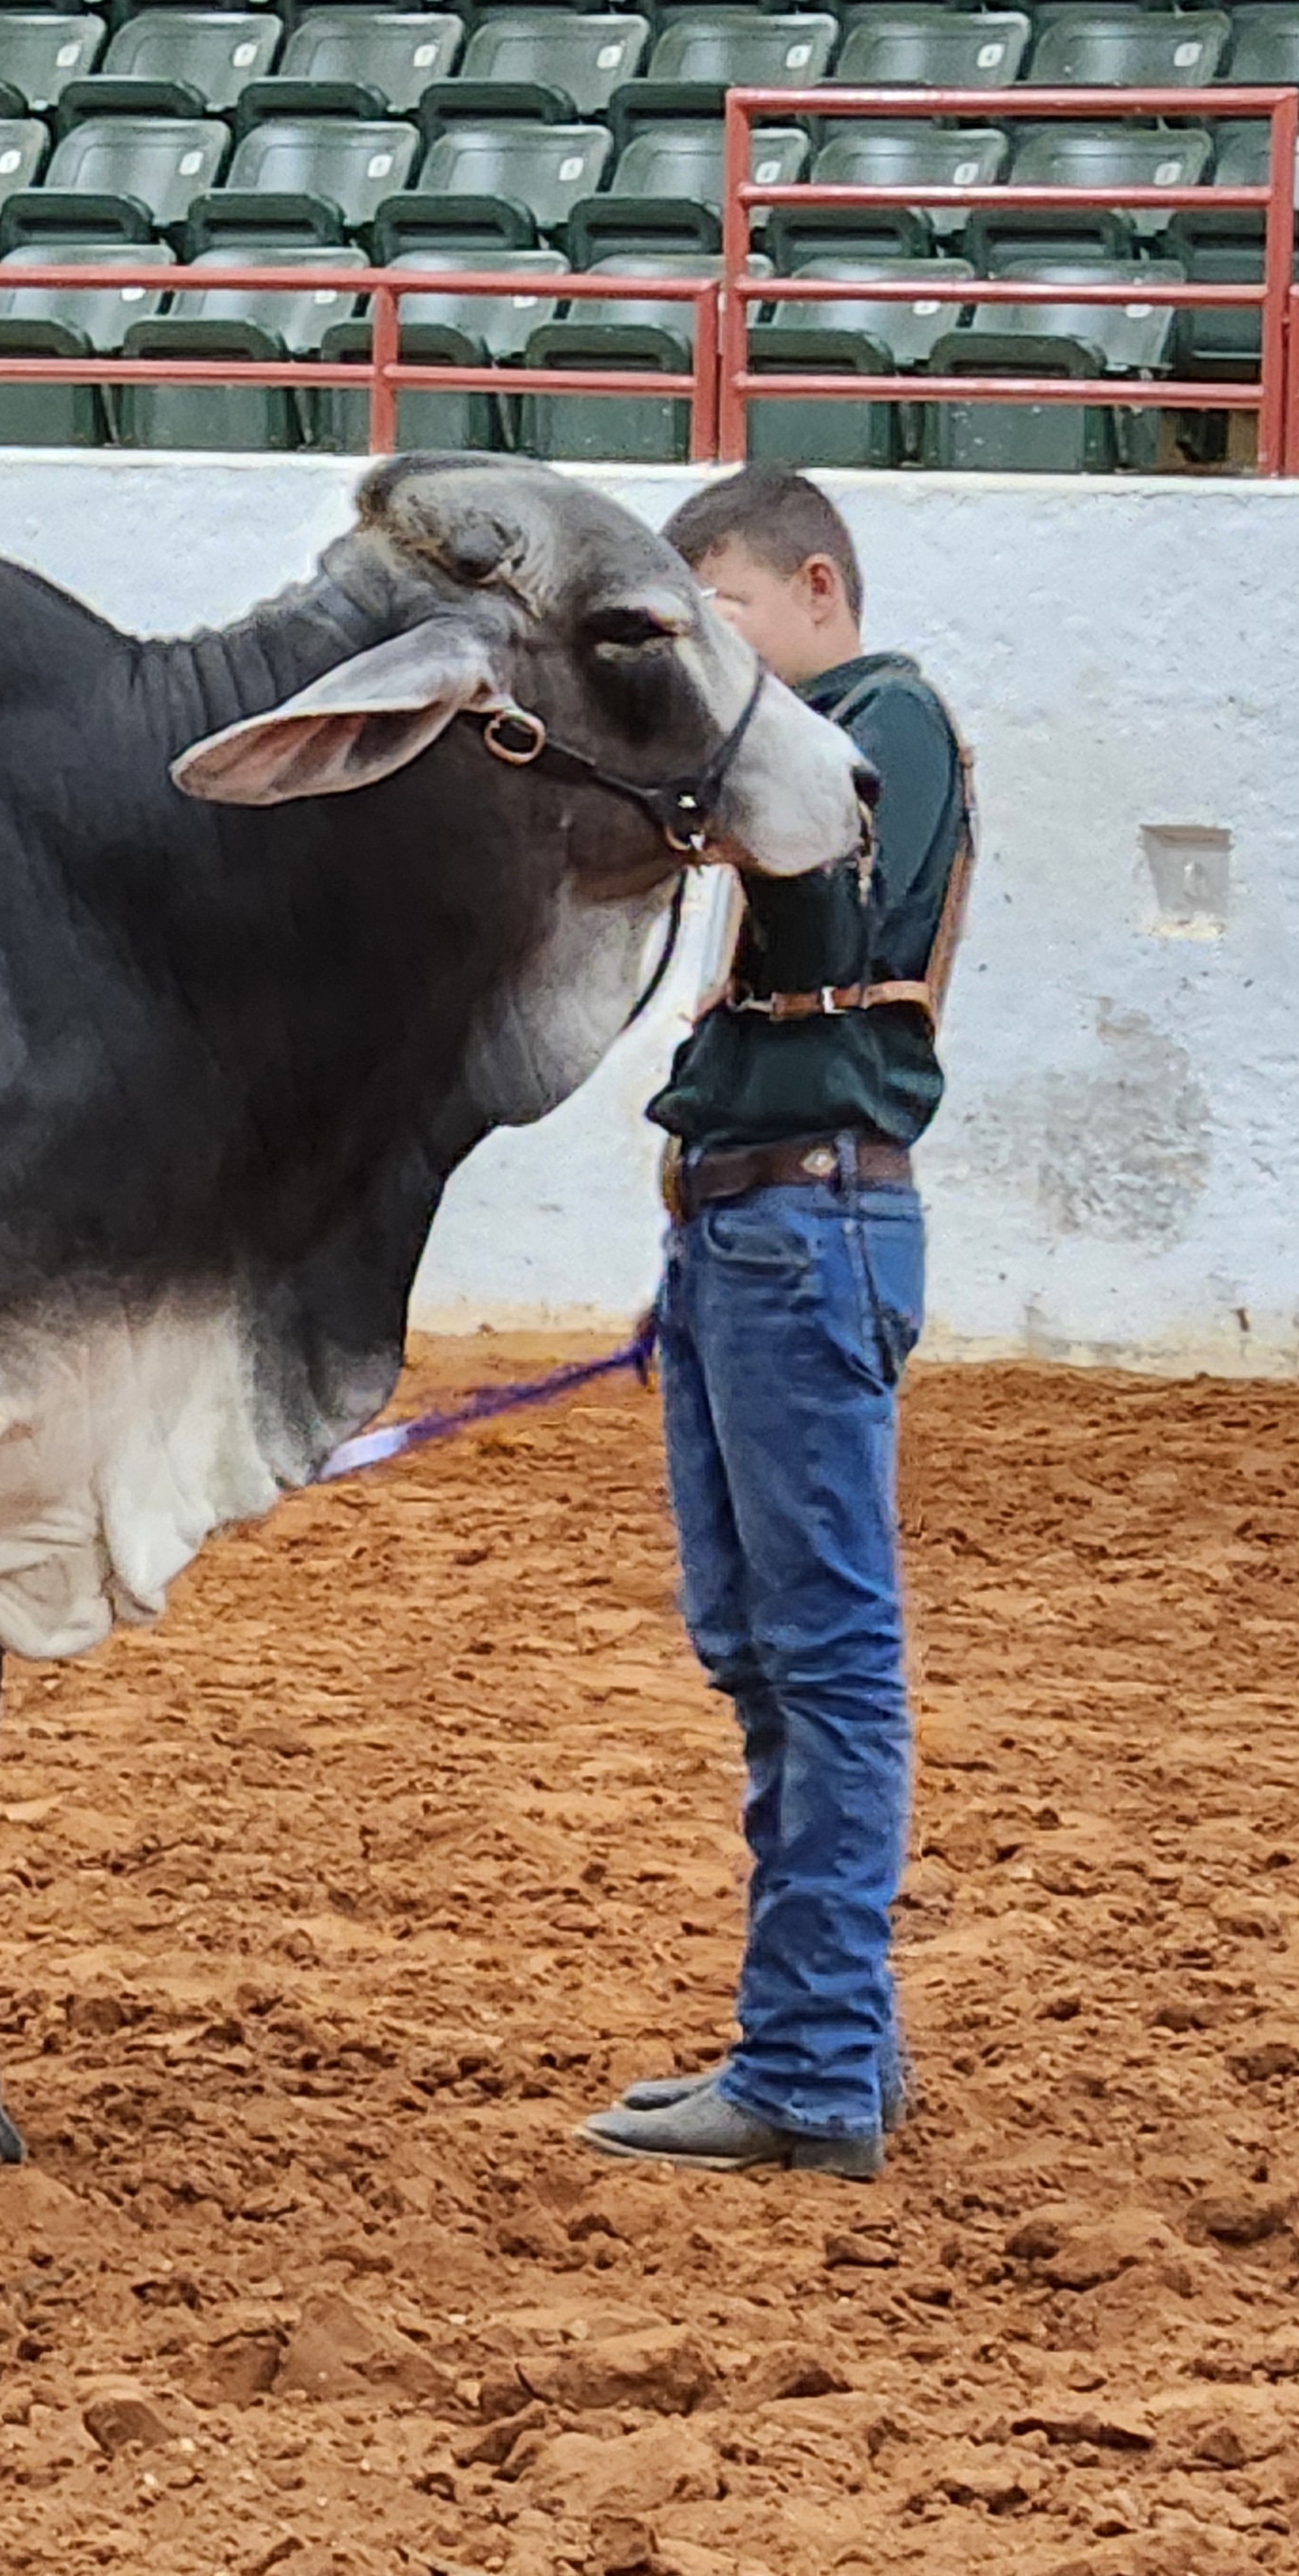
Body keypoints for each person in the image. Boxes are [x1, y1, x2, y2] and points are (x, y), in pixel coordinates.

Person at [579, 467, 973, 2184]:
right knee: (767, 1653)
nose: (700, 662)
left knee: (818, 1660)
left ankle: (808, 2067)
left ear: (812, 584)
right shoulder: (833, 729)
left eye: (713, 614)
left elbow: (808, 837)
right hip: (765, 1226)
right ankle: (826, 2041)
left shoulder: (878, 715)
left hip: (799, 1224)